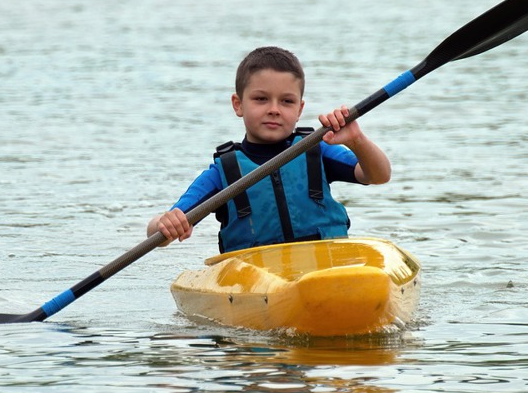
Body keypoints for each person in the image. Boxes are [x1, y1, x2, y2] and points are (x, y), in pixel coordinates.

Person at [147, 46, 391, 253]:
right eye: (261, 99)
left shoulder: (319, 150)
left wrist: (356, 140)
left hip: (325, 266)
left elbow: (379, 175)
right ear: (238, 104)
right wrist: (165, 224)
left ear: (299, 109)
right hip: (260, 282)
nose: (274, 109)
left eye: (286, 101)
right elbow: (157, 235)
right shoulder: (223, 173)